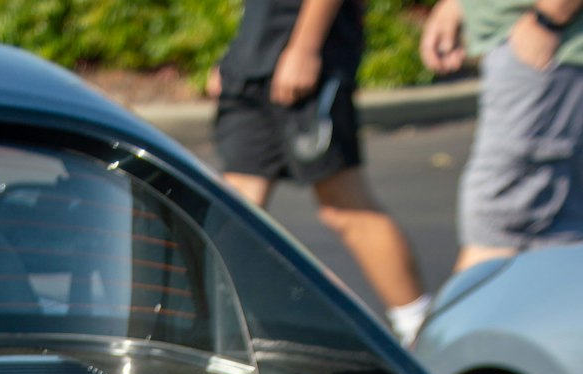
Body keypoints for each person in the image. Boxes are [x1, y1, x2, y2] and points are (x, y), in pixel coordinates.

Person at [210, 0, 432, 344]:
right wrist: (239, 54)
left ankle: (421, 331)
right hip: (252, 67)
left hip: (306, 64)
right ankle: (215, 337)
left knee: (345, 205)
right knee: (236, 210)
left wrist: (305, 48)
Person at [421, 0, 583, 270]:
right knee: (548, 238)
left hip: (549, 47)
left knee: (498, 235)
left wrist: (549, 17)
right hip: (539, 44)